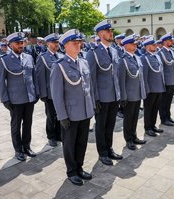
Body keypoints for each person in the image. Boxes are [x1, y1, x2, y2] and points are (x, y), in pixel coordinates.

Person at [50, 29, 95, 186]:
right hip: (70, 113)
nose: (79, 46)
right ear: (66, 46)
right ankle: (71, 171)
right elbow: (57, 94)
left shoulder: (83, 62)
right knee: (69, 144)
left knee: (82, 142)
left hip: (85, 110)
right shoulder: (59, 66)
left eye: (80, 43)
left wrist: (92, 106)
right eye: (75, 43)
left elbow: (89, 87)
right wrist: (62, 116)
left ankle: (80, 167)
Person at [0, 32, 39, 161]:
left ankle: (27, 146)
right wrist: (5, 99)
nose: (21, 45)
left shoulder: (29, 57)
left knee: (28, 124)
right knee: (15, 125)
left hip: (29, 98)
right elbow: (0, 81)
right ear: (10, 45)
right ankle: (18, 150)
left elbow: (34, 76)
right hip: (15, 99)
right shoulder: (4, 60)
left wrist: (36, 92)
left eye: (22, 43)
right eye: (18, 43)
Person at [86, 19, 123, 166]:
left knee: (111, 124)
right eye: (108, 31)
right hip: (101, 97)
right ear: (101, 34)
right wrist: (95, 99)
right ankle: (102, 153)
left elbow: (116, 74)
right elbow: (91, 78)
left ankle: (109, 148)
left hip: (114, 96)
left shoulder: (114, 50)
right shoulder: (93, 53)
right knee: (101, 127)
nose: (111, 33)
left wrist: (119, 94)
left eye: (111, 31)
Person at [119, 34, 147, 150]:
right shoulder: (123, 60)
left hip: (137, 93)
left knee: (135, 117)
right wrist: (123, 97)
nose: (135, 46)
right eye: (132, 44)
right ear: (126, 45)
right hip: (129, 95)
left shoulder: (137, 58)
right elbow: (121, 80)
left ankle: (134, 136)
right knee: (128, 118)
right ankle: (128, 139)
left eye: (136, 44)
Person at [36, 33, 62, 147]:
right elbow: (40, 76)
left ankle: (58, 134)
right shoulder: (43, 57)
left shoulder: (60, 56)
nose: (57, 44)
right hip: (50, 93)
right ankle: (51, 136)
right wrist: (43, 94)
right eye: (54, 42)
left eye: (57, 42)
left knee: (60, 114)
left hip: (60, 92)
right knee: (51, 116)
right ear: (48, 43)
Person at [141, 36, 165, 137]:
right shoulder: (144, 58)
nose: (155, 46)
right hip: (150, 89)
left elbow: (161, 72)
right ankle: (148, 128)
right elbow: (144, 76)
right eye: (153, 44)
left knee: (155, 108)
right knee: (149, 109)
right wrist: (146, 89)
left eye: (155, 44)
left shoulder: (157, 56)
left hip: (159, 87)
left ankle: (153, 125)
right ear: (147, 46)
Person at [158, 33, 174, 126]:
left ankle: (168, 116)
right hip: (165, 82)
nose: (172, 42)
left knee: (169, 101)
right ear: (165, 42)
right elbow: (161, 69)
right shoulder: (161, 53)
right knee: (163, 102)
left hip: (172, 81)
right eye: (170, 40)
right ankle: (163, 119)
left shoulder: (171, 51)